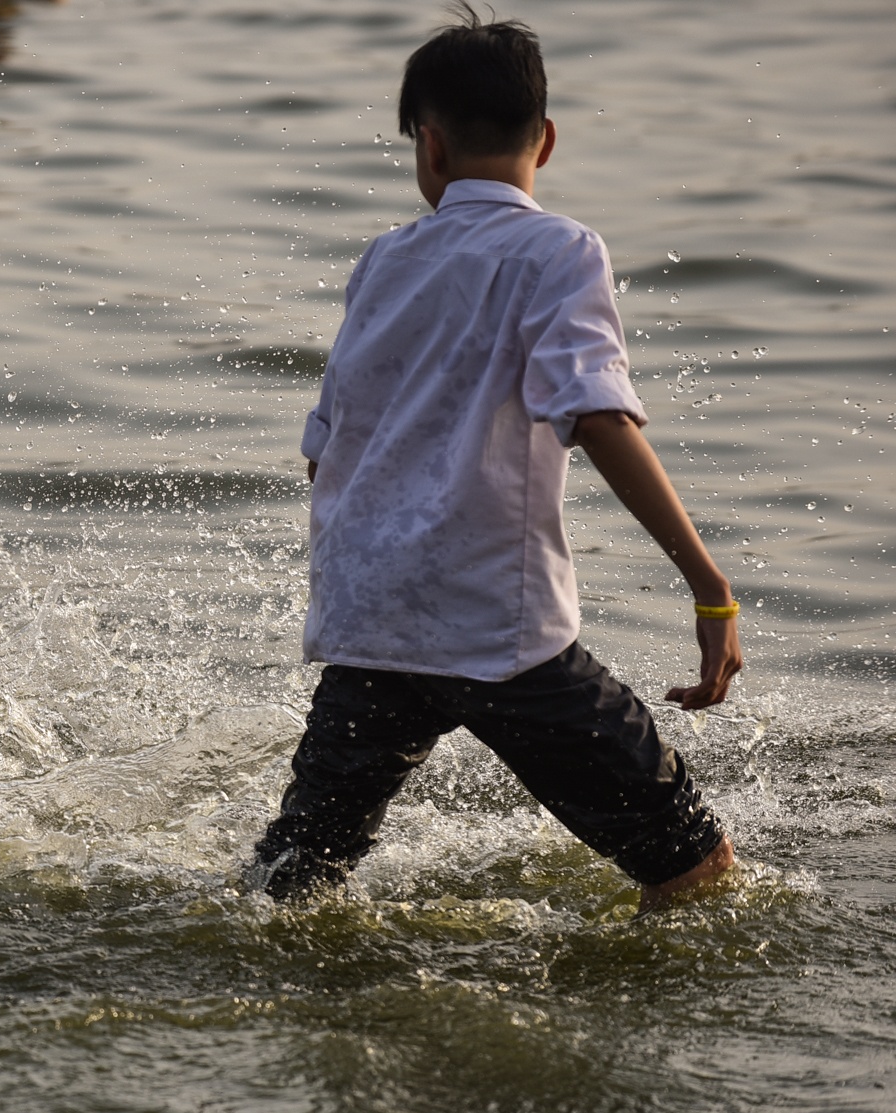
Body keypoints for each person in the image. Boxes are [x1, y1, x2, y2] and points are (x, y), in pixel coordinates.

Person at [247, 5, 743, 915]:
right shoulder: (559, 250)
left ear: (429, 147)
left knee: (289, 892)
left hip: (372, 628)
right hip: (500, 634)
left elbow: (326, 453)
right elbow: (598, 417)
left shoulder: (382, 262)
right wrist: (709, 586)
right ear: (545, 140)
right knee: (698, 872)